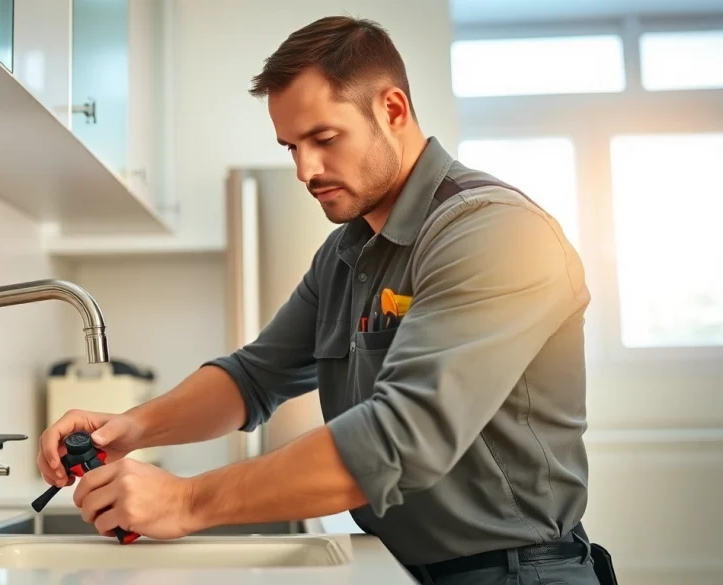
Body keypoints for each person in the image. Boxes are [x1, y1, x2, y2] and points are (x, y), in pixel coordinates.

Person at [38, 15, 607, 585]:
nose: (305, 169)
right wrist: (131, 429)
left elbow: (397, 438)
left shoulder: (493, 232)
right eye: (291, 146)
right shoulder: (345, 253)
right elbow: (254, 377)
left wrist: (186, 502)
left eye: (324, 139)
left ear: (392, 110)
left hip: (515, 574)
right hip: (396, 565)